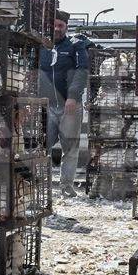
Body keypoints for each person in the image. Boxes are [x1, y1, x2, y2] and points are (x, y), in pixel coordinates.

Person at [38, 11, 89, 198]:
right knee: (42, 148)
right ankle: (40, 186)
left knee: (71, 148)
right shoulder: (40, 46)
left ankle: (66, 186)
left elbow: (81, 71)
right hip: (46, 106)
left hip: (70, 107)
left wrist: (73, 96)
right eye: (55, 25)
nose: (57, 29)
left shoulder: (76, 46)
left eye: (61, 25)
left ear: (66, 27)